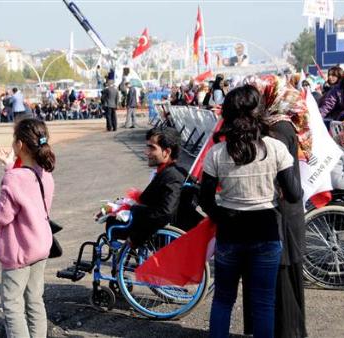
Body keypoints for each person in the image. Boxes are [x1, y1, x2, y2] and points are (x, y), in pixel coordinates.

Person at [199, 85, 302, 338]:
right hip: (266, 231)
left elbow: (205, 198)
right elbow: (294, 194)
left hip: (230, 233)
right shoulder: (276, 148)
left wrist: (221, 214)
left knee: (223, 300)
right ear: (259, 112)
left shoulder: (217, 153)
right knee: (263, 303)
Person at [0, 118, 56, 338]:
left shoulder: (14, 178)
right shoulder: (45, 173)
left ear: (20, 145)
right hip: (41, 245)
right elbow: (29, 194)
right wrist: (10, 167)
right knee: (35, 299)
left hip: (20, 251)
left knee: (12, 304)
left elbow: (2, 215)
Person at [259, 76, 309, 338]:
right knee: (283, 277)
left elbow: (280, 178)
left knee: (282, 278)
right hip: (287, 209)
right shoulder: (281, 125)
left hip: (281, 212)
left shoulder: (277, 129)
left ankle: (287, 332)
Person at [114, 127, 184, 247]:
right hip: (151, 224)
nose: (146, 152)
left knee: (113, 225)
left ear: (166, 152)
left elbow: (165, 212)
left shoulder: (173, 176)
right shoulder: (165, 172)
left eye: (152, 148)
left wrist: (136, 237)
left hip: (161, 234)